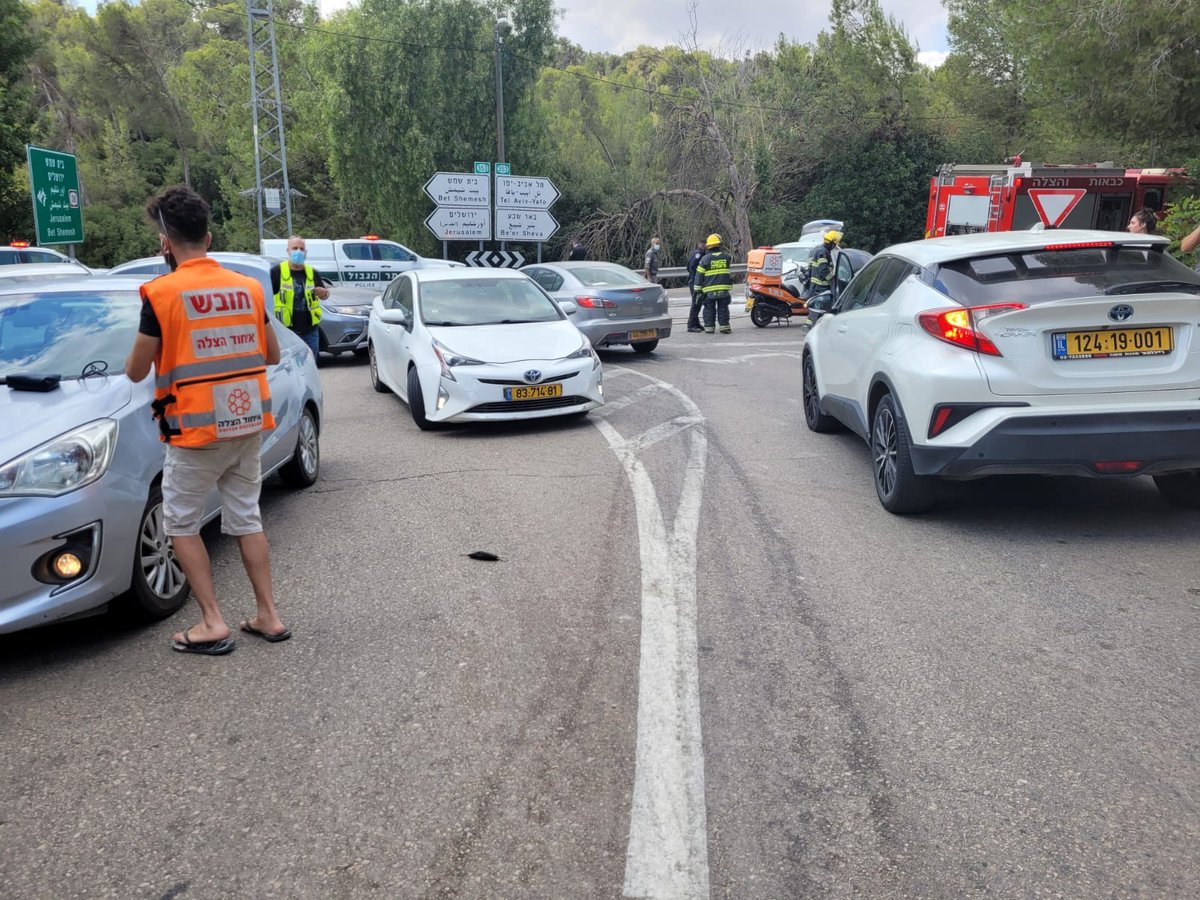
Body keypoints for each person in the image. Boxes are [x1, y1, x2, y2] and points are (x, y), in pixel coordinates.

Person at [125, 186, 290, 656]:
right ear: (209, 237)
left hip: (195, 431)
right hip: (246, 423)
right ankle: (268, 616)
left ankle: (212, 622)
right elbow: (272, 353)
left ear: (165, 242)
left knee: (180, 524)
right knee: (246, 517)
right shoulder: (248, 287)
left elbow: (136, 369)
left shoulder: (161, 292)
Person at [270, 235, 328, 359]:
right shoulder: (277, 271)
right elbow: (268, 298)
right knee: (290, 368)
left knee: (311, 364)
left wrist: (324, 293)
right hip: (286, 331)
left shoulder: (312, 272)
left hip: (310, 331)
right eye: (295, 248)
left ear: (306, 252)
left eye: (302, 249)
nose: (298, 252)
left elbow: (325, 295)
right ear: (288, 251)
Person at [695, 233, 733, 334]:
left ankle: (709, 328)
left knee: (709, 309)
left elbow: (699, 275)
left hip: (709, 291)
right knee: (723, 308)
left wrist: (698, 290)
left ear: (708, 246)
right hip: (724, 290)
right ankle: (724, 327)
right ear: (719, 245)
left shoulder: (705, 259)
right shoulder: (727, 257)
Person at [807, 229, 843, 294]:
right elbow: (823, 271)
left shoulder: (820, 249)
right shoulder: (822, 252)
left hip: (816, 287)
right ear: (831, 243)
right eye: (834, 244)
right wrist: (834, 279)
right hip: (820, 288)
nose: (834, 247)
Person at [685, 240, 706, 332]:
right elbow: (692, 267)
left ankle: (696, 323)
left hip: (694, 280)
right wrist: (697, 276)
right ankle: (691, 325)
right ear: (702, 245)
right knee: (696, 303)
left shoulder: (698, 252)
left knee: (698, 303)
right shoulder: (698, 253)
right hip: (694, 281)